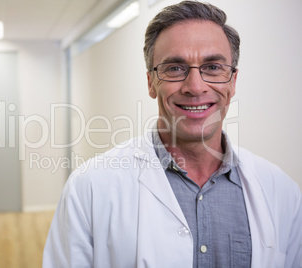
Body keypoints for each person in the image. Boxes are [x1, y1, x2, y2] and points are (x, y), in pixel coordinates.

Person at [43, 1, 302, 267]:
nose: (195, 86)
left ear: (232, 82)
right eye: (175, 68)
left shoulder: (281, 192)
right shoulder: (89, 188)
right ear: (151, 83)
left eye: (213, 67)